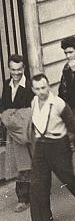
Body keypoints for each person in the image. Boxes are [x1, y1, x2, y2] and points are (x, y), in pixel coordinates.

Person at [28, 73, 75, 221]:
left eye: (44, 87)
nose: (42, 91)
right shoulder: (33, 102)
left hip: (58, 145)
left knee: (71, 179)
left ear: (48, 86)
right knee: (38, 183)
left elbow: (74, 126)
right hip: (41, 145)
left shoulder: (58, 103)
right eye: (38, 88)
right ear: (33, 89)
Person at [0, 54, 34, 212]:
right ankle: (23, 197)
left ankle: (31, 196)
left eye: (19, 69)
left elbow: (30, 110)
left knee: (28, 164)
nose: (16, 73)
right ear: (9, 69)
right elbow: (4, 106)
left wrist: (13, 116)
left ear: (24, 68)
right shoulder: (7, 84)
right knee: (19, 165)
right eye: (13, 69)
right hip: (13, 132)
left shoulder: (29, 85)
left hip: (26, 131)